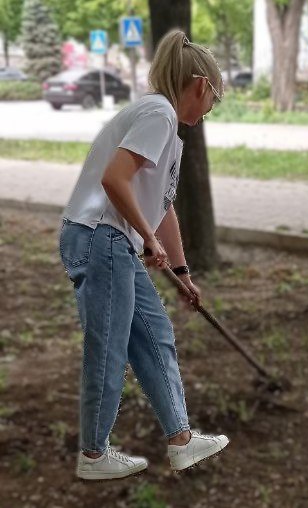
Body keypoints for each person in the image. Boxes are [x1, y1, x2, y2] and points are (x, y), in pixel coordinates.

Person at [59, 30, 229, 481]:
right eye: (215, 97)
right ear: (200, 86)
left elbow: (163, 205)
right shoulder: (159, 113)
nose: (211, 108)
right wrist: (144, 235)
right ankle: (93, 456)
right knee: (110, 346)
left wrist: (182, 271)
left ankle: (181, 442)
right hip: (101, 237)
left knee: (154, 335)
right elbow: (115, 180)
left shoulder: (168, 132)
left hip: (112, 242)